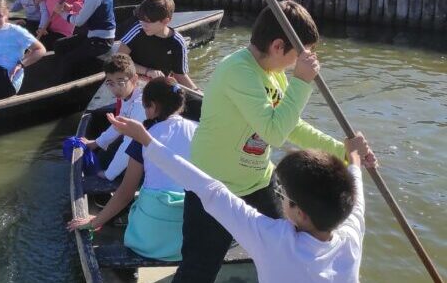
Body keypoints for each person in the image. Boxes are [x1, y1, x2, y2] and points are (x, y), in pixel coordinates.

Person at [170, 0, 365, 283]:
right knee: (199, 270)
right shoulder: (238, 71)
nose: (300, 63)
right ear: (277, 46)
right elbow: (274, 133)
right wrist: (301, 82)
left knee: (292, 250)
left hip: (259, 182)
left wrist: (343, 152)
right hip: (213, 187)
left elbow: (290, 125)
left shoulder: (274, 74)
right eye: (299, 55)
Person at [110, 114, 374, 283]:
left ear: (299, 212)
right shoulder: (351, 233)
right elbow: (356, 187)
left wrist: (147, 140)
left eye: (283, 194)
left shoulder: (272, 238)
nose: (280, 196)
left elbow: (209, 189)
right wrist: (353, 158)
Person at [68, 78, 197, 261]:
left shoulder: (144, 137)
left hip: (147, 243)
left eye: (145, 107)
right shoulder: (200, 131)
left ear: (152, 106)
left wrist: (94, 222)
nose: (144, 112)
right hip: (187, 243)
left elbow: (126, 192)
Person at [78, 54, 146, 181]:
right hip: (142, 147)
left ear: (134, 79)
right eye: (110, 83)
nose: (115, 88)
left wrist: (109, 174)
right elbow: (119, 125)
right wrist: (97, 143)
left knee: (111, 167)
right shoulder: (128, 96)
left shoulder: (140, 105)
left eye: (121, 82)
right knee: (103, 156)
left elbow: (129, 144)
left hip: (153, 157)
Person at [53, 0, 116, 80]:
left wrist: (61, 13)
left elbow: (79, 22)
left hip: (100, 40)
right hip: (96, 34)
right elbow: (90, 10)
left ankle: (64, 82)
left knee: (68, 59)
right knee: (59, 46)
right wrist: (70, 8)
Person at [118, 0, 198, 90]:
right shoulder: (138, 29)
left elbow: (180, 75)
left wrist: (196, 91)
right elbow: (119, 59)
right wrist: (147, 71)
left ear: (166, 21)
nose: (143, 25)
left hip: (157, 85)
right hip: (133, 80)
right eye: (141, 20)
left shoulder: (177, 42)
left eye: (148, 21)